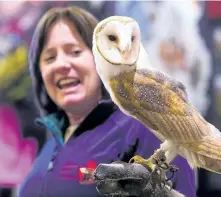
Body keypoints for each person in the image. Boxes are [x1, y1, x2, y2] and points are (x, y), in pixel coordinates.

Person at [18, 6, 196, 197]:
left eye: (75, 52)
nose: (61, 64)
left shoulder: (145, 130)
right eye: (49, 57)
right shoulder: (52, 144)